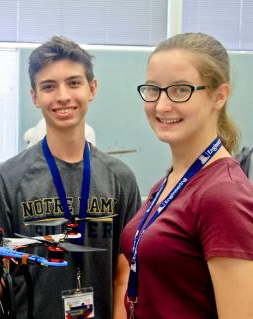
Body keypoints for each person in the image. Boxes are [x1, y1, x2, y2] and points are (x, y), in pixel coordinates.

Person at [0, 36, 141, 319]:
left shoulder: (120, 179)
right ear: (34, 96)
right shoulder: (8, 179)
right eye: (49, 86)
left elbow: (124, 273)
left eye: (74, 83)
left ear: (92, 88)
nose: (62, 96)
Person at [120, 33, 253, 318]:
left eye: (180, 90)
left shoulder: (223, 194)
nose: (162, 105)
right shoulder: (170, 182)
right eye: (153, 89)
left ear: (220, 95)